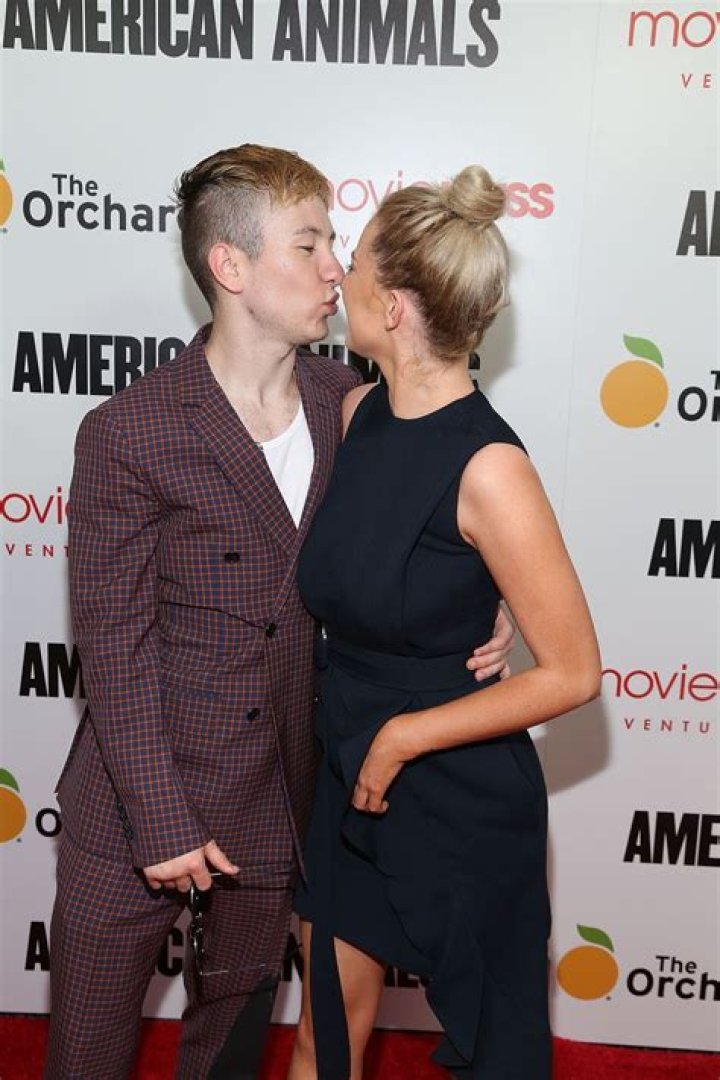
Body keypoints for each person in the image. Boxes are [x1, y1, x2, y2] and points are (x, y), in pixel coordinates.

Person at [44, 144, 513, 1080]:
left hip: (275, 803)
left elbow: (440, 497)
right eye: (309, 245)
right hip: (134, 806)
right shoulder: (129, 431)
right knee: (83, 1058)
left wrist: (482, 596)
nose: (338, 268)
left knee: (227, 1055)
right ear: (231, 266)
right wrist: (162, 822)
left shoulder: (349, 403)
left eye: (334, 243)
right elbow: (114, 650)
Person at [288, 166, 602, 1080]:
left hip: (457, 788)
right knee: (324, 1034)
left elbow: (574, 673)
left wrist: (405, 738)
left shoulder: (491, 467)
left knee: (495, 1052)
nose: (337, 272)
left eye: (354, 262)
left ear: (390, 307)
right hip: (346, 764)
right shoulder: (355, 412)